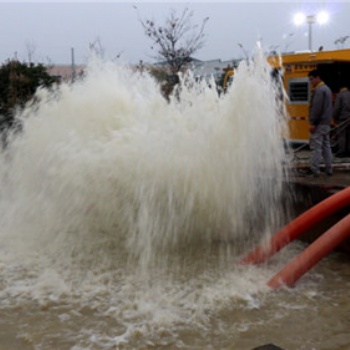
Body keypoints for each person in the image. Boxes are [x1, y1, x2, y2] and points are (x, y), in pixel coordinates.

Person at [307, 69, 333, 177]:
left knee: (316, 147)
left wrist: (313, 122)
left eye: (312, 79)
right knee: (326, 146)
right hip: (326, 123)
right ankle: (329, 169)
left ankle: (315, 170)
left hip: (319, 124)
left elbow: (317, 109)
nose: (311, 82)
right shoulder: (327, 89)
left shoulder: (319, 90)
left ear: (318, 77)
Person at [333, 83, 350, 157]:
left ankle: (342, 152)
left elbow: (337, 108)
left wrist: (334, 117)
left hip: (343, 118)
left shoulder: (340, 95)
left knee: (342, 135)